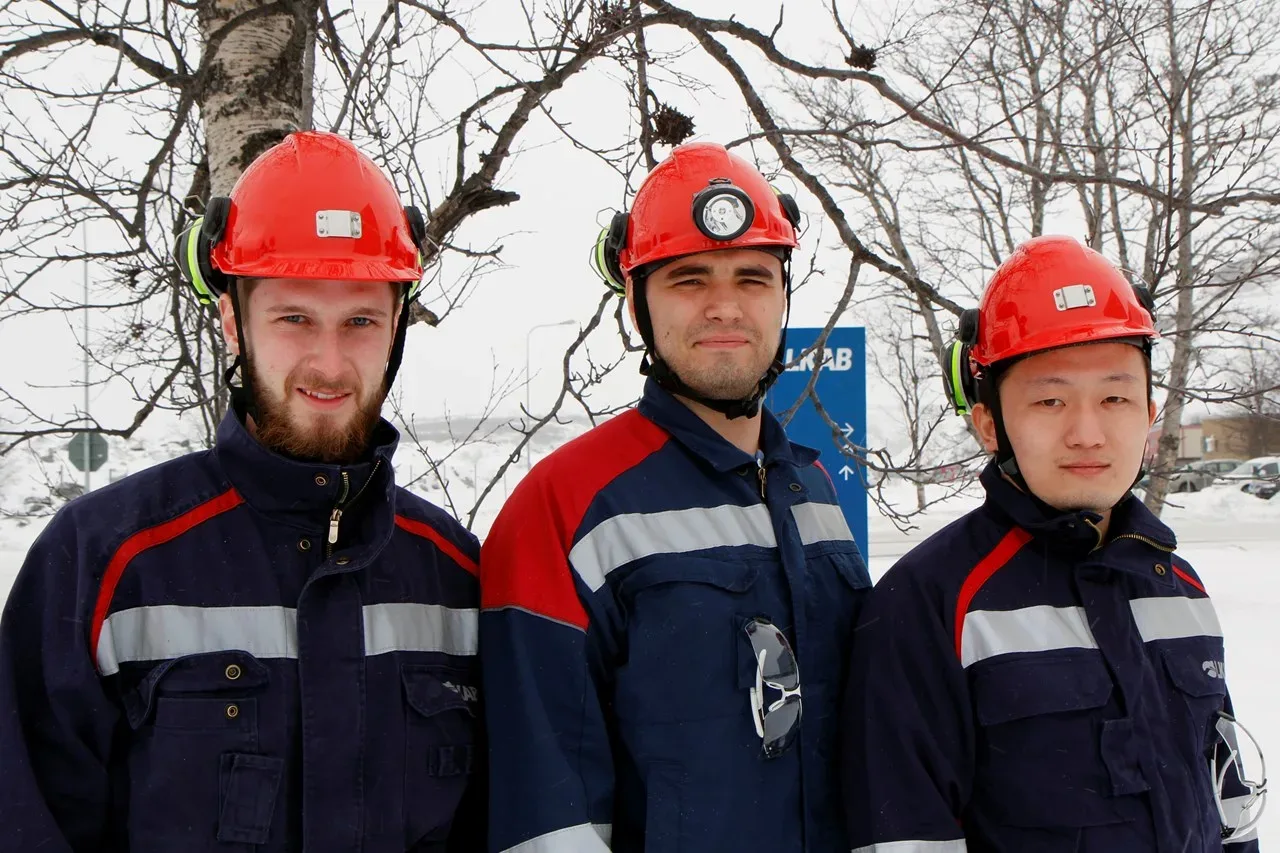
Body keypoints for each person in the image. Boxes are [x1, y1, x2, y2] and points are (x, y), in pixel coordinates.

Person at [0, 130, 484, 852]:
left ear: (395, 330)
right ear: (233, 321)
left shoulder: (455, 574)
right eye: (294, 318)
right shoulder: (104, 562)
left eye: (360, 321)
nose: (329, 361)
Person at [480, 141, 871, 853]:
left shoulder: (813, 489)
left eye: (752, 278)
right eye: (690, 280)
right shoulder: (564, 506)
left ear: (783, 297)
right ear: (637, 305)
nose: (725, 306)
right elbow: (545, 816)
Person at [842, 235, 1266, 852]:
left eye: (1115, 397)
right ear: (991, 423)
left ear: (1148, 411)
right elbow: (904, 837)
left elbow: (1225, 802)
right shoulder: (929, 605)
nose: (1087, 432)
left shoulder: (1180, 588)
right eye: (1050, 399)